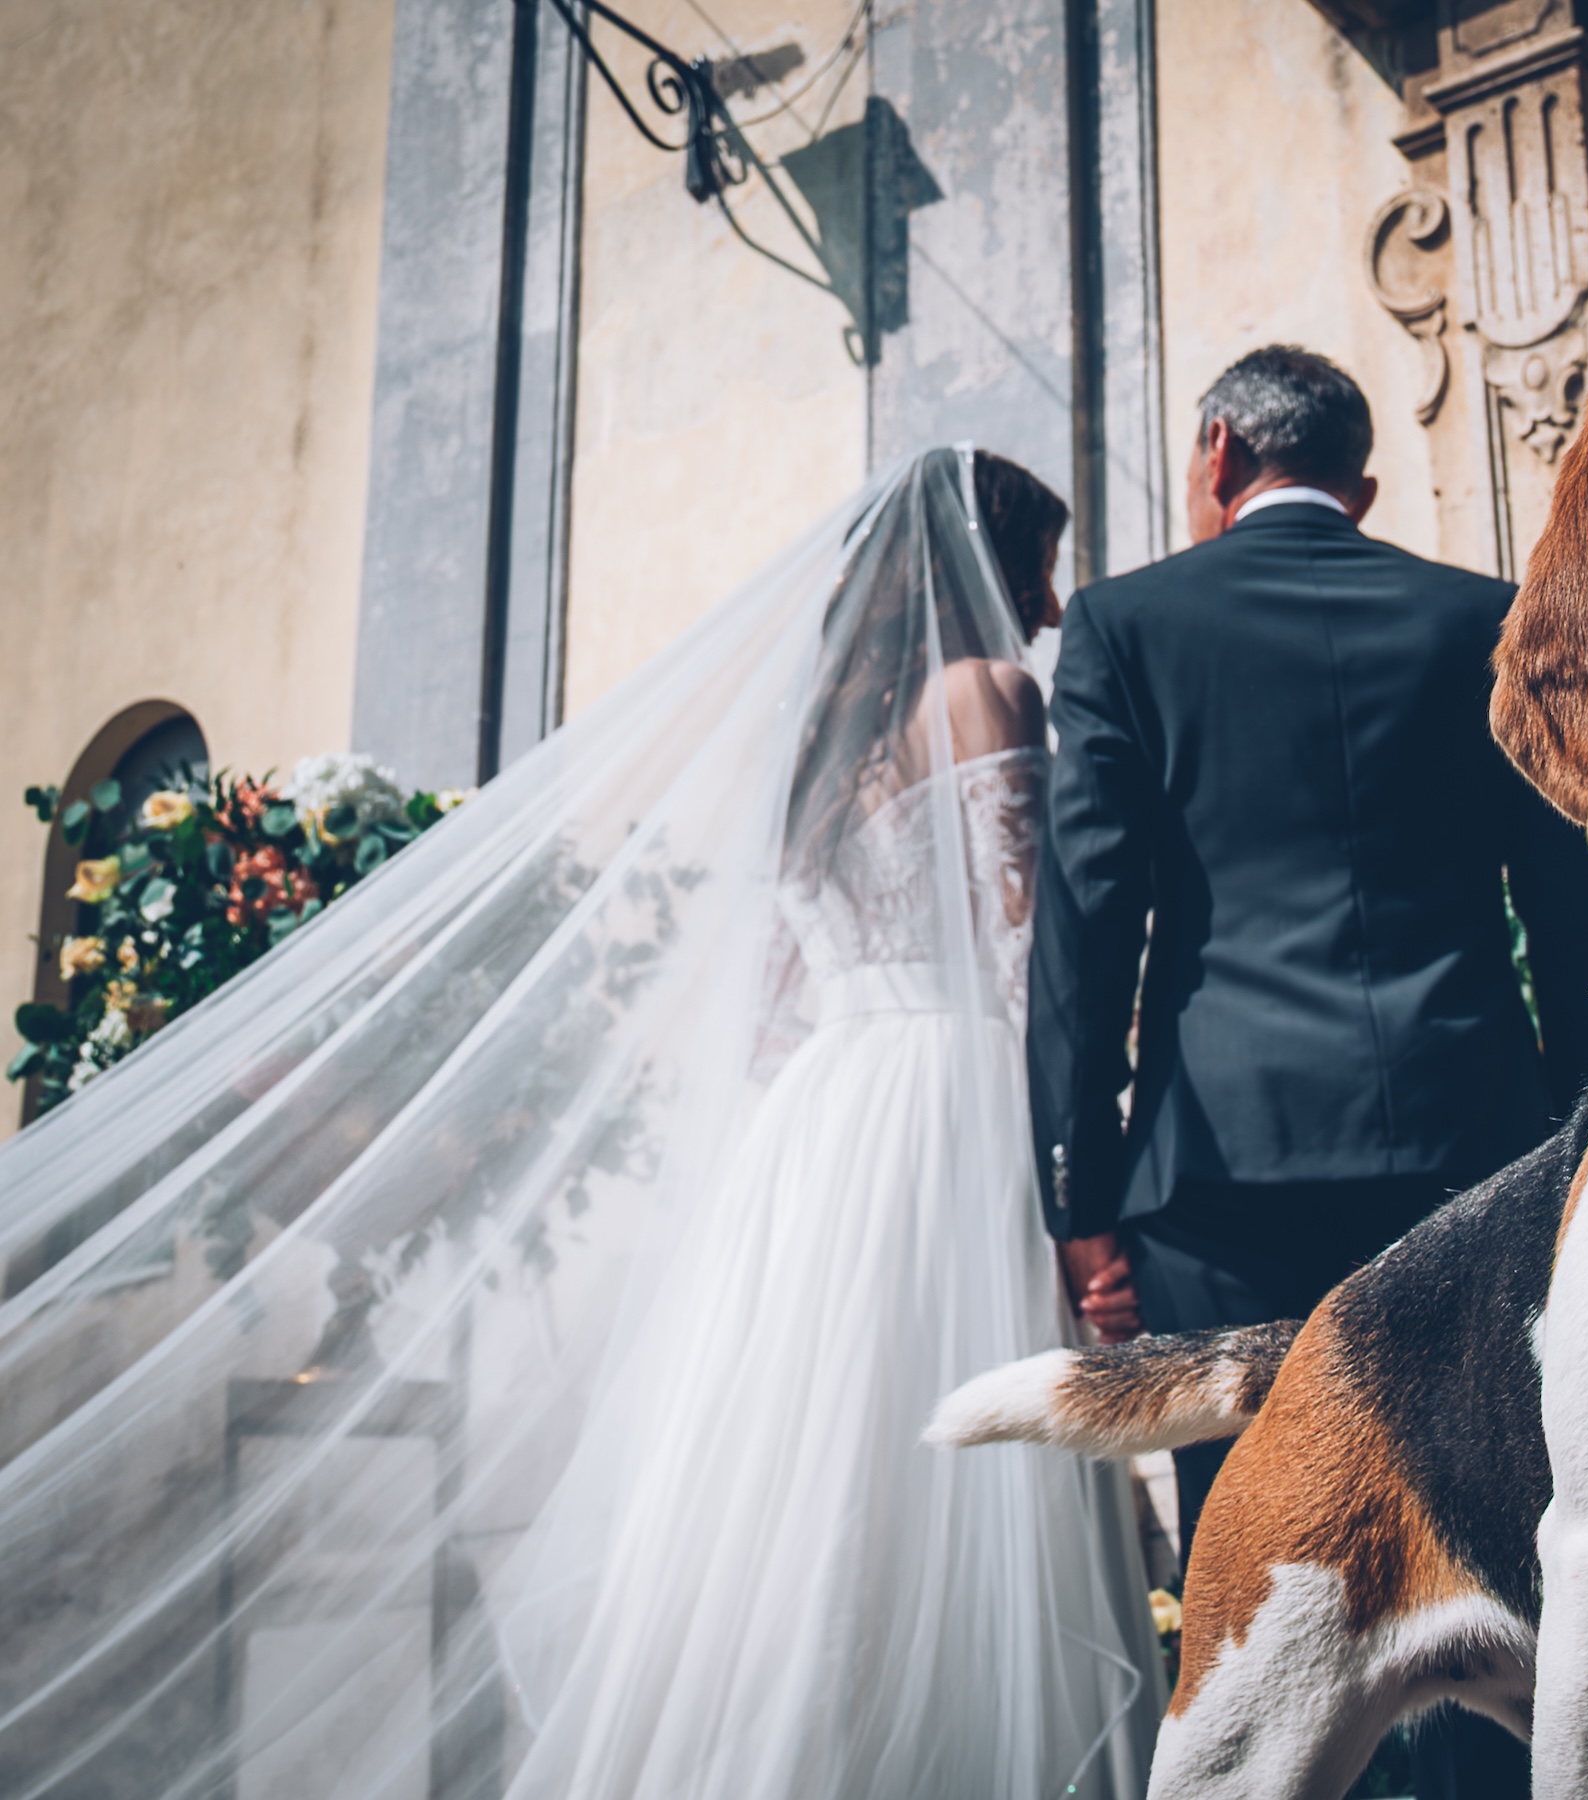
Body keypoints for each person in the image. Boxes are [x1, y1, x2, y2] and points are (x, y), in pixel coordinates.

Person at [0, 448, 1162, 1799]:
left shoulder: (815, 748)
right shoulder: (990, 694)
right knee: (962, 1478)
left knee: (809, 1485)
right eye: (1040, 567)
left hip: (825, 1126)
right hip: (950, 1107)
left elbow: (776, 997)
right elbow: (1034, 965)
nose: (1055, 604)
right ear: (982, 562)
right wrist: (1098, 1150)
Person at [1024, 347, 1588, 1793]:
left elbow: (1086, 925)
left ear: (1219, 454)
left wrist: (1079, 1188)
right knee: (1482, 1549)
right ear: (1359, 487)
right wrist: (1584, 1152)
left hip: (1217, 1171)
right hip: (1466, 1163)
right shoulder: (1478, 620)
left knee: (1260, 1576)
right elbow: (1567, 908)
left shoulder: (1124, 627)